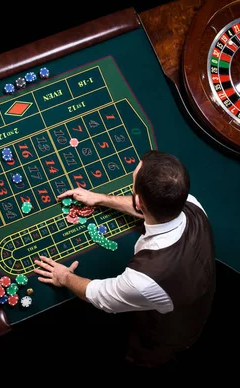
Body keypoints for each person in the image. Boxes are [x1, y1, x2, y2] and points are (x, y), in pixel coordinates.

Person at [33, 150, 216, 369]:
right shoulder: (192, 205)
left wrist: (64, 277)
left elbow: (100, 296)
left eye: (133, 179)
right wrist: (100, 199)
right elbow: (149, 208)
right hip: (197, 290)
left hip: (169, 334)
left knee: (145, 356)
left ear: (139, 201)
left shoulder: (146, 279)